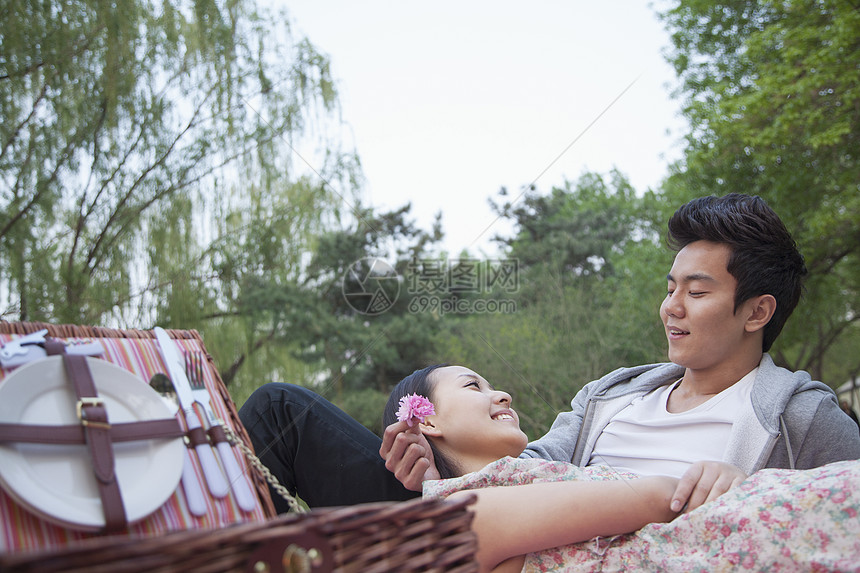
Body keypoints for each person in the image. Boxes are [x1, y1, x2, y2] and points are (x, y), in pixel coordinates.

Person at [238, 193, 860, 513]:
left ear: (757, 311)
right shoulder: (615, 395)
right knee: (279, 410)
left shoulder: (799, 419)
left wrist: (750, 488)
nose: (671, 307)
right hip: (517, 522)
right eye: (670, 288)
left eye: (697, 292)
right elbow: (531, 465)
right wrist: (434, 466)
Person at [385, 363, 860, 572]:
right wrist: (721, 481)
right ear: (428, 421)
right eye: (474, 386)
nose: (502, 394)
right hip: (744, 532)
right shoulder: (463, 512)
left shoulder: (513, 484)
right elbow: (657, 497)